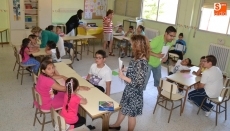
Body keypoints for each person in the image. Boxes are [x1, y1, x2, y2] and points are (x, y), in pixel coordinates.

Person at [109, 35, 150, 131]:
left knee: (131, 115)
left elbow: (139, 82)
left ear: (138, 45)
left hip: (134, 93)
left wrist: (123, 77)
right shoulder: (138, 57)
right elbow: (136, 70)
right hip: (129, 90)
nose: (131, 46)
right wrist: (126, 69)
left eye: (132, 44)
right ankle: (116, 124)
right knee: (123, 108)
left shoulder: (142, 62)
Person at [143, 26, 177, 90]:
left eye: (174, 36)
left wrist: (166, 56)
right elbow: (145, 49)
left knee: (159, 81)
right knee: (144, 81)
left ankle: (160, 96)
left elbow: (166, 50)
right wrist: (156, 55)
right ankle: (139, 97)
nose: (172, 38)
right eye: (171, 35)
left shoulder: (170, 42)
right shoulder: (157, 40)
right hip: (148, 62)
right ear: (166, 33)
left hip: (157, 63)